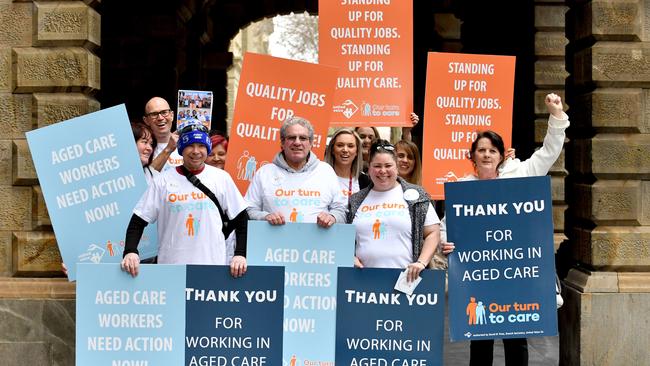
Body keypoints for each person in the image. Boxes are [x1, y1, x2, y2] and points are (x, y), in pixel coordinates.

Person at [442, 93, 569, 366]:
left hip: (515, 277)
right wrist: (445, 242)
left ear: (501, 155)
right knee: (481, 341)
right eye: (481, 150)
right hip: (480, 277)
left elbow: (548, 153)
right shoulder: (462, 188)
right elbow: (445, 228)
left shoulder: (520, 176)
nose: (486, 154)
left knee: (516, 341)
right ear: (472, 155)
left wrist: (556, 116)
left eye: (492, 150)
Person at [121, 121, 250, 278]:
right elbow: (138, 221)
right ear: (181, 149)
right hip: (172, 270)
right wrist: (130, 251)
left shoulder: (221, 178)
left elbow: (242, 218)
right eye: (190, 145)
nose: (196, 151)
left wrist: (240, 254)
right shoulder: (163, 181)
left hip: (212, 267)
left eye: (201, 146)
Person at [346, 139, 449, 282]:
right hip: (364, 281)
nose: (382, 171)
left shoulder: (417, 195)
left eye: (388, 165)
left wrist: (421, 262)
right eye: (377, 166)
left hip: (407, 281)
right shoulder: (355, 200)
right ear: (369, 168)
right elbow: (345, 239)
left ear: (396, 167)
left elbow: (433, 232)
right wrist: (348, 256)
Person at [245, 116, 346, 228]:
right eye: (292, 137)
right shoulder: (264, 173)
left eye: (303, 138)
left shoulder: (326, 171)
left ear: (311, 143)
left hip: (318, 244)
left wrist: (332, 217)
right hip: (274, 244)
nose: (297, 142)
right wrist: (264, 217)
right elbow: (249, 210)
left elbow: (341, 210)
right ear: (282, 143)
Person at [324, 128, 370, 199]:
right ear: (332, 150)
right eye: (340, 145)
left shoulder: (365, 181)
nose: (345, 150)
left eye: (350, 146)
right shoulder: (320, 177)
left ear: (357, 151)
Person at [142, 97, 180, 171]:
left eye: (164, 112)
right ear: (146, 120)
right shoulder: (141, 148)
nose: (160, 118)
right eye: (154, 114)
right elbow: (144, 179)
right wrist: (168, 148)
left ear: (172, 115)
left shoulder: (186, 142)